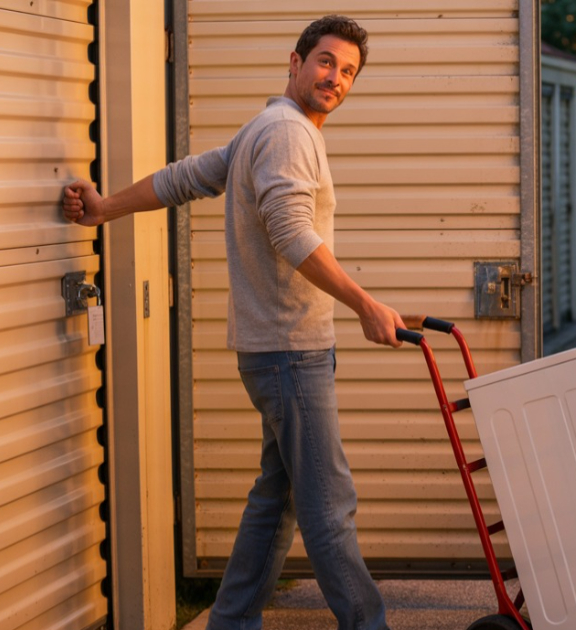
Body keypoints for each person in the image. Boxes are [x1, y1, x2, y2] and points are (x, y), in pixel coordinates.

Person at [62, 15, 397, 630]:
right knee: (329, 506)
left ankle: (232, 621)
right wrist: (365, 304)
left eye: (348, 71)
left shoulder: (264, 129)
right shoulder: (287, 132)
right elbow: (290, 232)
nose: (336, 77)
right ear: (295, 63)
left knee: (278, 497)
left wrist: (105, 209)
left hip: (273, 351)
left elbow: (183, 178)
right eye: (326, 61)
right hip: (291, 352)